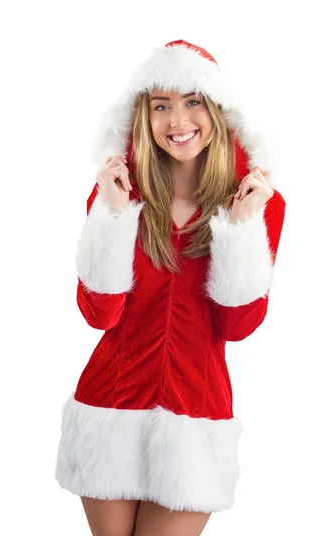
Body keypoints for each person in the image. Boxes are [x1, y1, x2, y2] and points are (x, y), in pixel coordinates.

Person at [55, 39, 286, 536]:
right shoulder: (117, 192)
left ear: (217, 109)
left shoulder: (256, 200)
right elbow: (100, 315)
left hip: (195, 416)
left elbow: (237, 326)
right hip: (109, 409)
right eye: (162, 105)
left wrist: (242, 227)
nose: (178, 120)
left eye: (192, 101)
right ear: (144, 116)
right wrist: (113, 216)